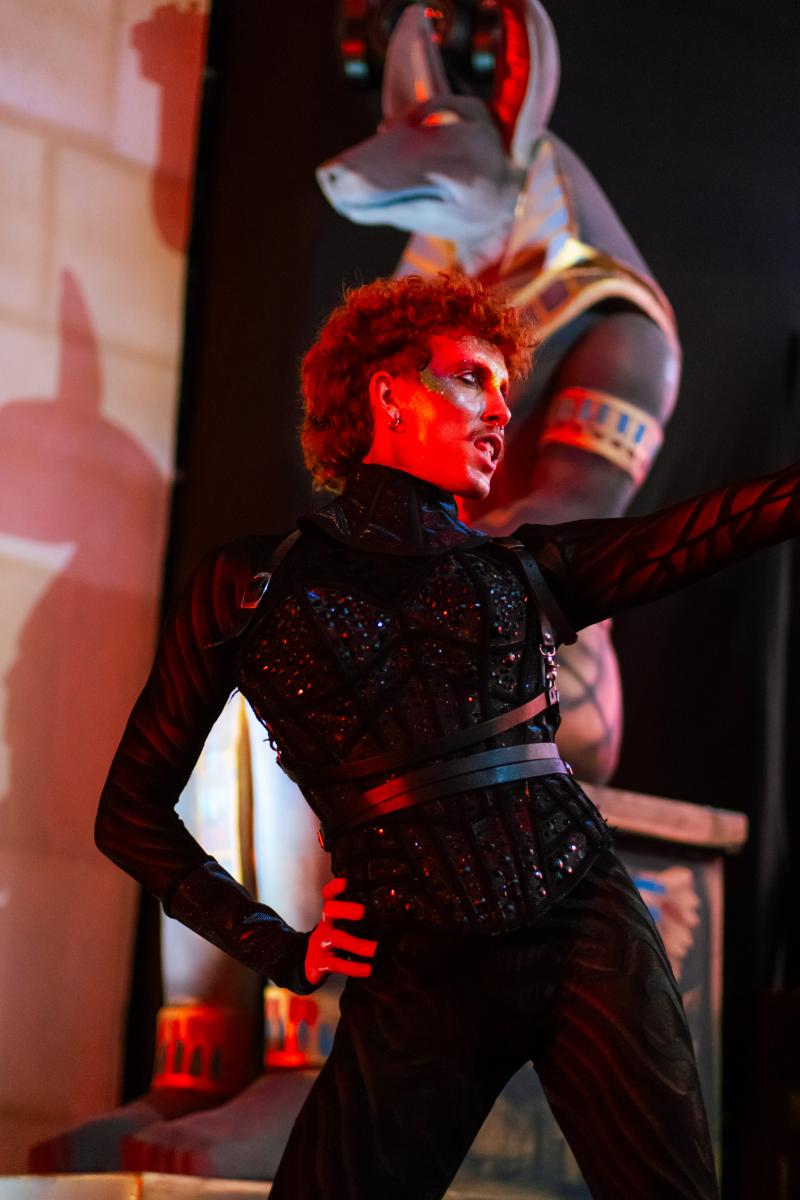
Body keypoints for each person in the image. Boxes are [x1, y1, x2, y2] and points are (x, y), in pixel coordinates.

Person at [97, 273, 798, 1198]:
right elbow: (130, 813)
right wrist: (277, 947)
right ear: (387, 393)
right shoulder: (250, 586)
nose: (502, 410)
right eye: (472, 378)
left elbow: (711, 528)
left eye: (507, 388)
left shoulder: (526, 568)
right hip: (416, 963)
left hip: (584, 923)